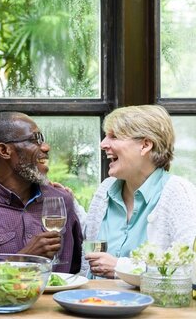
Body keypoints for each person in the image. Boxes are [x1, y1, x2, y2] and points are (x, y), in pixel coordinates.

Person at [0, 112, 83, 274]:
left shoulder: (62, 200)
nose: (45, 147)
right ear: (4, 150)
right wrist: (22, 259)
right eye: (35, 140)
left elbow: (74, 268)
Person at [83, 105, 196, 278]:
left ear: (145, 145)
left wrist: (121, 268)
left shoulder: (178, 193)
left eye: (114, 136)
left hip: (149, 306)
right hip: (93, 302)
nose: (103, 144)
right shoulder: (105, 189)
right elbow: (87, 264)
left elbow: (189, 270)